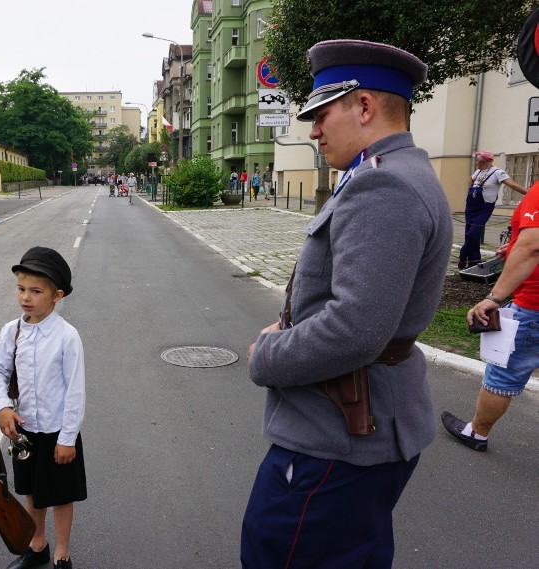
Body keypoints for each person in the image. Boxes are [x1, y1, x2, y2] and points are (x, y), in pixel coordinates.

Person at [242, 40, 452, 568]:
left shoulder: (382, 184)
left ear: (363, 107)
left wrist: (268, 356)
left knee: (277, 554)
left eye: (321, 113)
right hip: (361, 422)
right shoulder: (392, 172)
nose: (312, 129)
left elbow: (356, 329)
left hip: (336, 436)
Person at [0, 247, 87, 569]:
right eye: (21, 289)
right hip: (25, 431)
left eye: (36, 291)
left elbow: (75, 390)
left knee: (60, 495)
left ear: (57, 295)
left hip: (58, 431)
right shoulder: (11, 331)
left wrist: (67, 438)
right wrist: (2, 407)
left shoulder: (67, 336)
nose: (25, 297)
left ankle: (62, 553)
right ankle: (37, 545)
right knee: (31, 491)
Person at [442, 180, 539, 451]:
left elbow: (533, 246)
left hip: (533, 305)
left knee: (503, 373)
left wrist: (493, 298)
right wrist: (514, 247)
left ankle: (476, 433)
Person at [458, 151, 527, 269]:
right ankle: (474, 263)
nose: (476, 163)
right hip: (471, 207)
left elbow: (513, 185)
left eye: (478, 161)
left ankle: (463, 255)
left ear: (486, 161)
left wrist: (531, 193)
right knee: (469, 235)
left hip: (484, 208)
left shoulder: (498, 172)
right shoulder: (478, 172)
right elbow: (470, 180)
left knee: (472, 235)